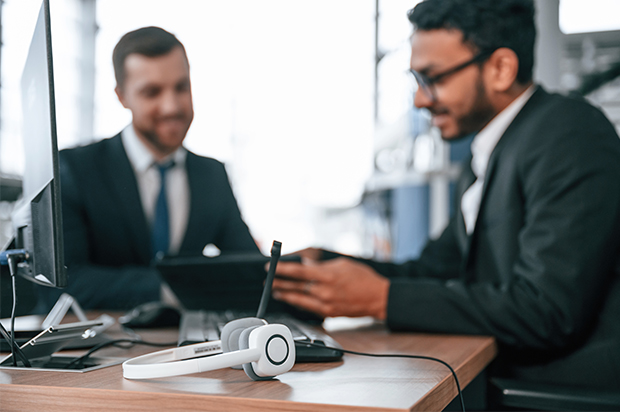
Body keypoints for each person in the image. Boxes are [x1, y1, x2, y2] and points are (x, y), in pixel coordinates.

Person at [272, 0, 620, 392]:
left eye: (432, 78)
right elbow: (432, 272)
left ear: (501, 69)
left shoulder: (568, 133)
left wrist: (382, 299)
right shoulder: (492, 150)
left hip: (563, 391)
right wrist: (333, 268)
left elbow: (546, 311)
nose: (420, 100)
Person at [37, 27, 258, 311]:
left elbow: (247, 269)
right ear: (122, 96)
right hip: (95, 345)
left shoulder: (212, 175)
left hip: (183, 346)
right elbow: (62, 285)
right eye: (152, 92)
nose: (171, 106)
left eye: (181, 87)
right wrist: (178, 286)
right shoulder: (74, 169)